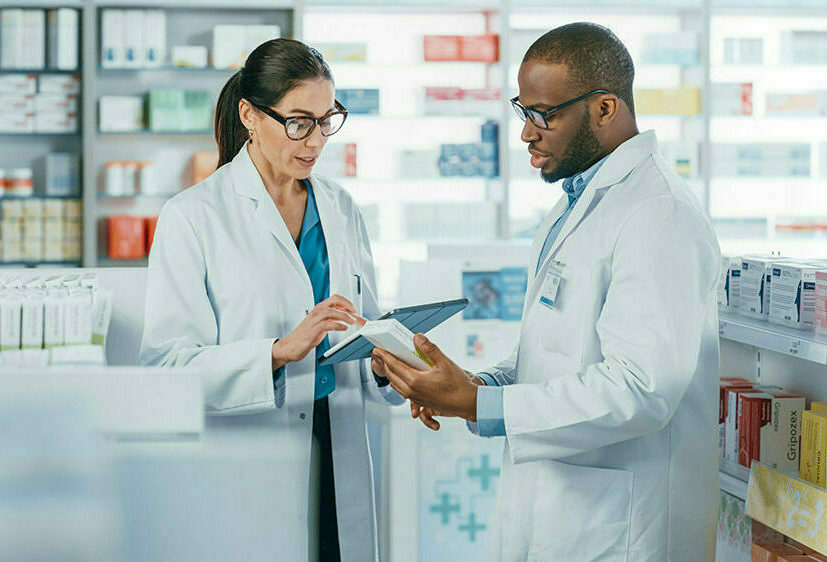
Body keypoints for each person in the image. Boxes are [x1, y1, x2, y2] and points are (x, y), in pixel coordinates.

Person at [373, 22, 721, 561]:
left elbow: (642, 390)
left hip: (624, 528)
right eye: (523, 111)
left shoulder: (659, 215)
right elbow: (552, 353)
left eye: (545, 115)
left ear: (605, 108)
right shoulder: (578, 203)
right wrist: (473, 384)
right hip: (563, 509)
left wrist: (479, 403)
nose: (526, 133)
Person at [139, 38, 403, 562]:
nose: (315, 141)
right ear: (250, 115)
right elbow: (166, 366)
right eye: (299, 122)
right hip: (251, 453)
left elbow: (363, 321)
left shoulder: (341, 207)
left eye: (328, 120)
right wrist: (278, 351)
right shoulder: (194, 216)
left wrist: (385, 358)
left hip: (339, 443)